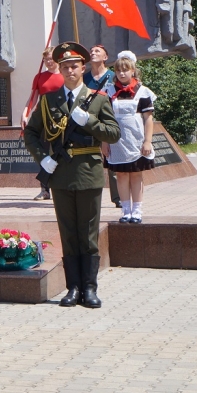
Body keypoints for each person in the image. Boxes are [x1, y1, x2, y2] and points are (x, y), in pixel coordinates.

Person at [24, 42, 120, 309]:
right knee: (68, 233)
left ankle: (89, 289)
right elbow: (31, 133)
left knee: (88, 234)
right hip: (61, 175)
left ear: (83, 68)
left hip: (88, 174)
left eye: (74, 66)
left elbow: (113, 133)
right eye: (65, 66)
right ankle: (73, 288)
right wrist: (42, 157)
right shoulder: (49, 100)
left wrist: (88, 120)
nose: (69, 70)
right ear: (60, 69)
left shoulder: (98, 99)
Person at [103, 52, 156, 223]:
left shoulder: (143, 92)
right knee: (121, 175)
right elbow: (104, 119)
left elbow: (148, 119)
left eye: (126, 70)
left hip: (136, 140)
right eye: (119, 70)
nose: (122, 73)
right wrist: (104, 142)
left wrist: (147, 141)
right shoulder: (109, 91)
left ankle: (137, 210)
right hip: (117, 141)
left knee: (136, 175)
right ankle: (125, 210)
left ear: (133, 71)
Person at [21, 46, 64, 200]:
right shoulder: (39, 77)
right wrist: (26, 112)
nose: (48, 61)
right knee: (43, 154)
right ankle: (44, 189)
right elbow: (33, 97)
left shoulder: (65, 75)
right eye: (46, 59)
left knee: (59, 153)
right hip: (43, 119)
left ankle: (61, 187)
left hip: (61, 119)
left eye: (51, 58)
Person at [83, 44, 121, 208]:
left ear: (105, 57)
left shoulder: (113, 77)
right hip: (89, 123)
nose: (93, 53)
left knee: (112, 160)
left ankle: (118, 197)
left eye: (97, 51)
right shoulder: (84, 78)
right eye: (91, 51)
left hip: (107, 121)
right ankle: (88, 195)